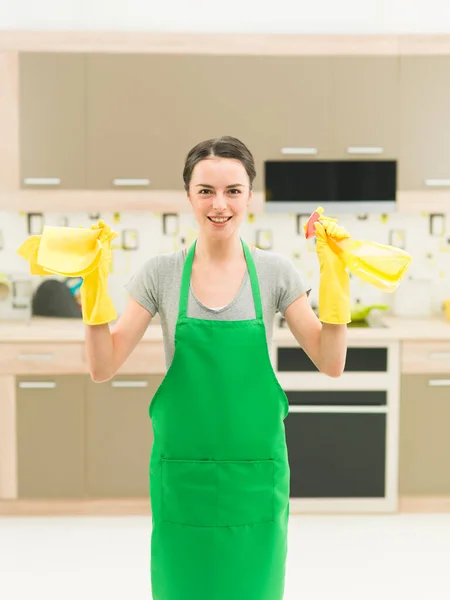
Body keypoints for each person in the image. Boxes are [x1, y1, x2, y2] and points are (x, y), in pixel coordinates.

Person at [85, 136, 349, 600]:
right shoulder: (160, 273)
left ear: (250, 196)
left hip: (255, 478)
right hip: (184, 479)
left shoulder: (275, 273)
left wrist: (336, 282)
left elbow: (330, 363)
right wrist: (93, 290)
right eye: (206, 190)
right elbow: (103, 366)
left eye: (233, 190)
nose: (219, 204)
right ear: (188, 195)